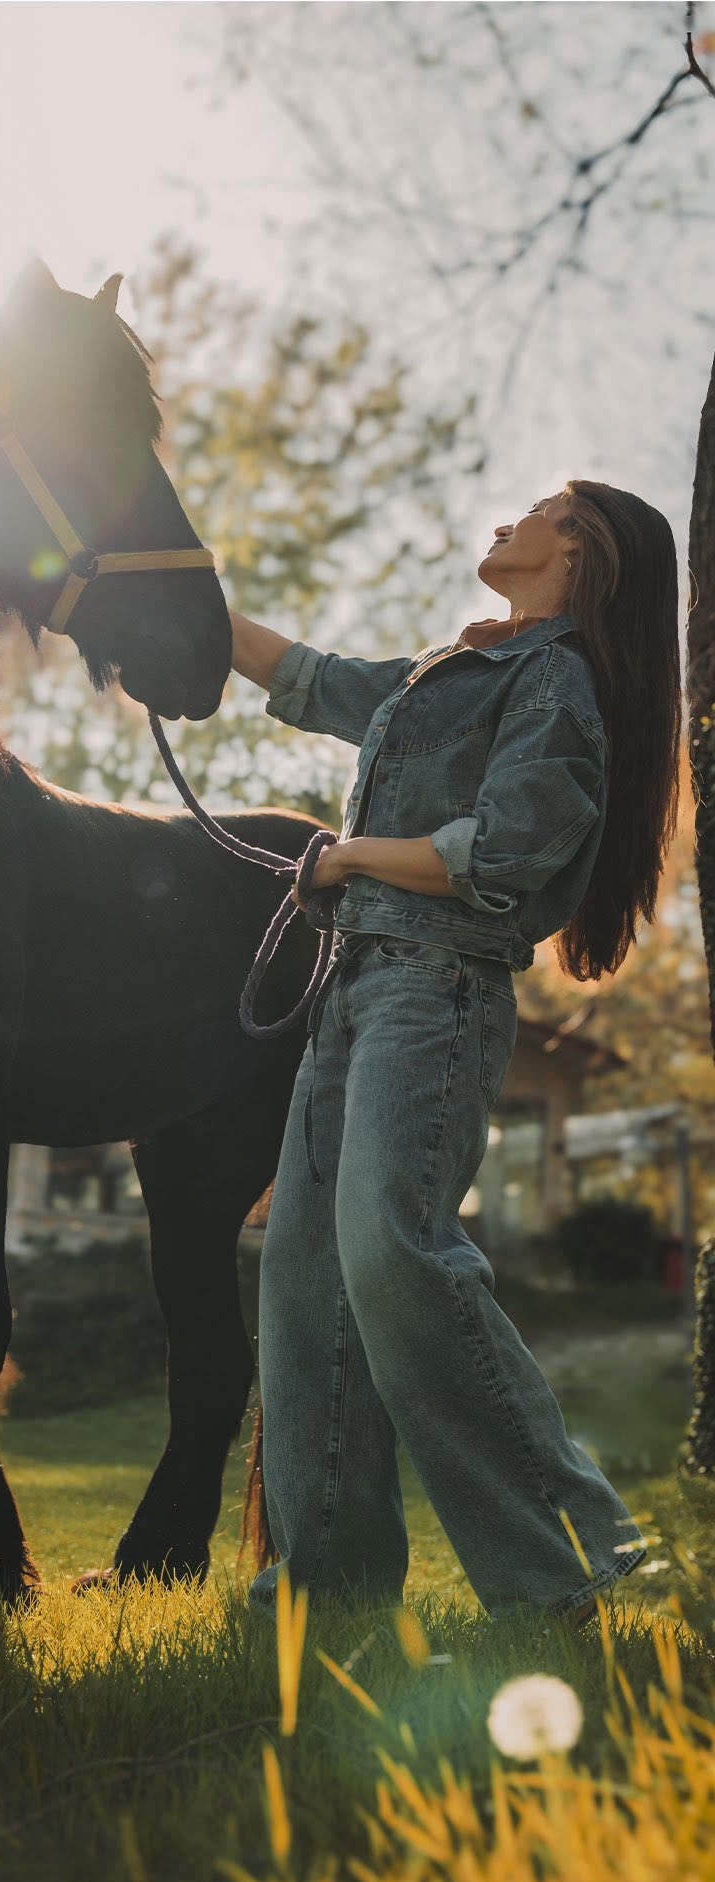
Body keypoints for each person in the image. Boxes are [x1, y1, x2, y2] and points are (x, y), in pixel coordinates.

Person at [230, 481, 681, 1623]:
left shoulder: (556, 681)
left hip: (436, 993)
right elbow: (311, 680)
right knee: (307, 1278)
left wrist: (349, 859)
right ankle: (328, 1597)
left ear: (579, 550)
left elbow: (511, 848)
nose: (505, 520)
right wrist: (163, 591)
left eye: (533, 509)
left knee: (393, 1252)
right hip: (356, 994)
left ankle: (584, 1564)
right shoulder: (453, 668)